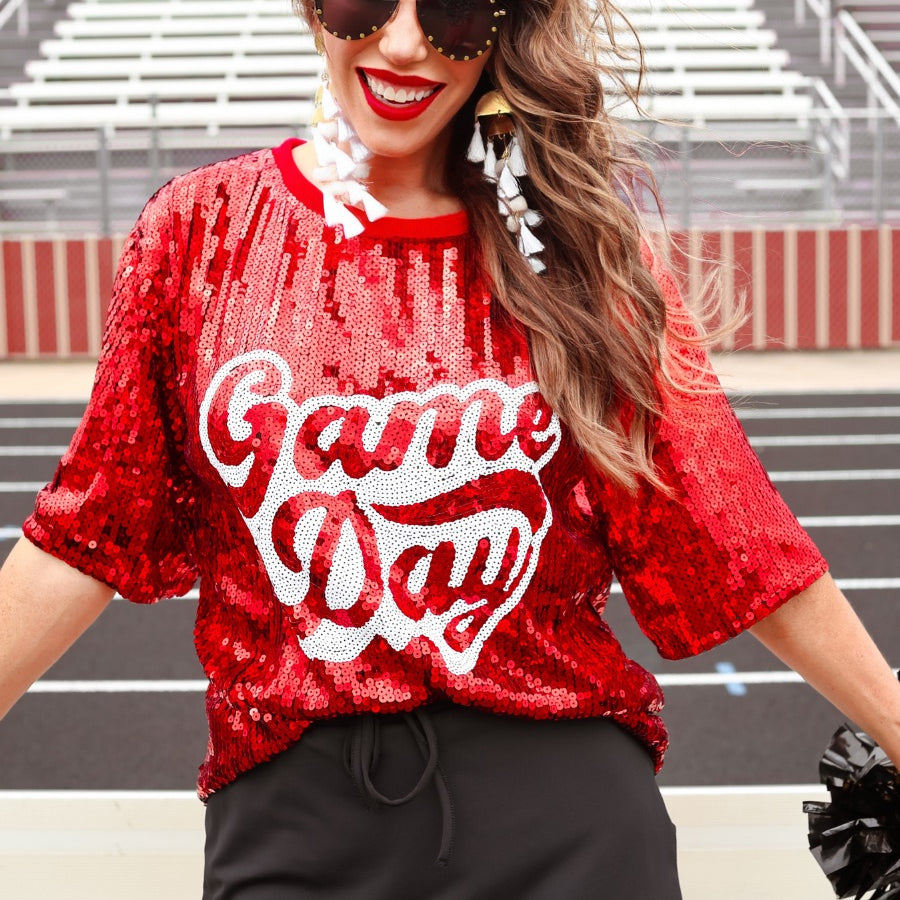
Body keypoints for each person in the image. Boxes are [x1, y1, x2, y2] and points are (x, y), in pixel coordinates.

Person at [1, 0, 898, 896]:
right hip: (292, 828)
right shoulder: (200, 230)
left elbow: (741, 542)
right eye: (365, 2)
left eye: (454, 11)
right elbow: (85, 533)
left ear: (503, 29)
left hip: (569, 825)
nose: (401, 42)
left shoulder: (579, 256)